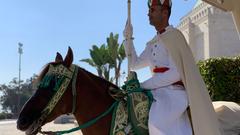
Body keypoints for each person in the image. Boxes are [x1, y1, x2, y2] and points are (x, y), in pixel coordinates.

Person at [123, 0, 223, 135]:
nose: (148, 14)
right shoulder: (153, 42)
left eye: (152, 10)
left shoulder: (175, 36)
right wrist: (128, 39)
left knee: (156, 122)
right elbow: (134, 64)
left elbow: (176, 73)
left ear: (164, 13)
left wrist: (143, 85)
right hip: (157, 92)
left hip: (174, 93)